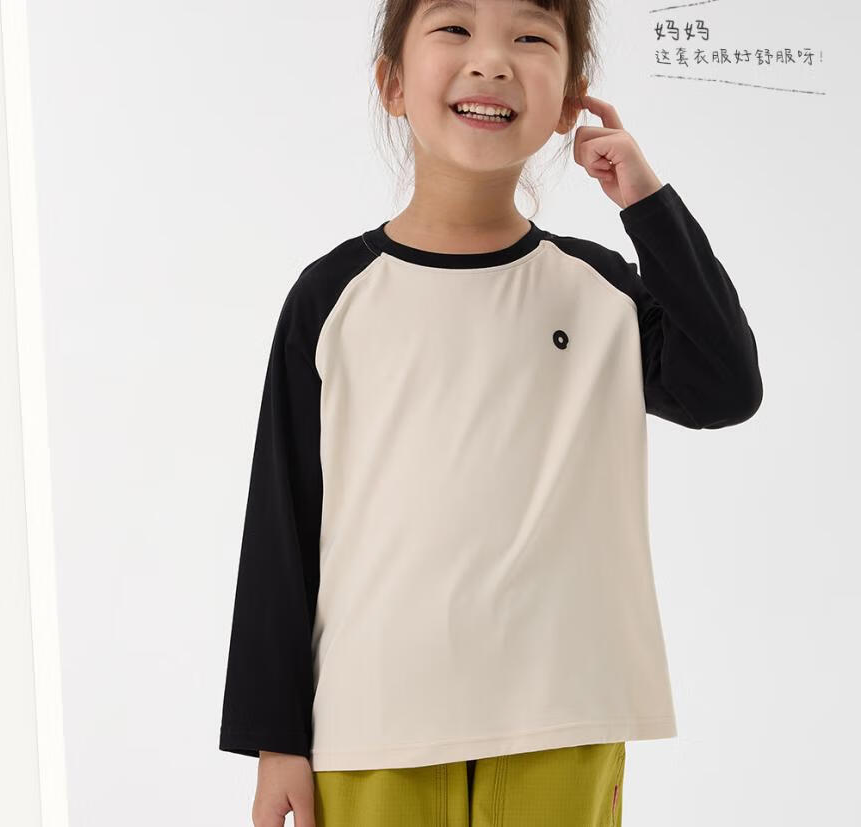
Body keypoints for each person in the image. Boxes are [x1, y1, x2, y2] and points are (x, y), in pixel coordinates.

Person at [218, 0, 763, 823]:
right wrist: (275, 737)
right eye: (455, 28)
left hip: (562, 710)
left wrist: (645, 202)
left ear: (570, 101)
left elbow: (726, 385)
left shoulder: (599, 291)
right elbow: (282, 522)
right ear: (392, 82)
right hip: (375, 720)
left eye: (530, 37)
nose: (492, 60)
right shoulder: (332, 298)